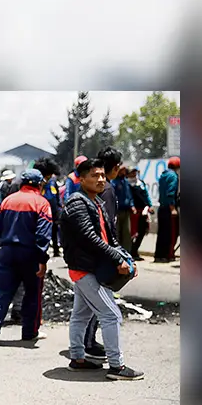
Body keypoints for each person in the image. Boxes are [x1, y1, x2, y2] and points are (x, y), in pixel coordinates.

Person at [60, 158, 144, 380]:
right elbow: (90, 238)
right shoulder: (77, 203)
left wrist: (126, 257)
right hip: (84, 268)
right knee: (111, 315)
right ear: (81, 178)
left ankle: (78, 358)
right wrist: (118, 259)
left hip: (90, 267)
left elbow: (111, 237)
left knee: (81, 315)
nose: (100, 180)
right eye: (94, 176)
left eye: (102, 176)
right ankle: (117, 367)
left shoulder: (95, 202)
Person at [0, 169, 52, 345]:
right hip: (29, 254)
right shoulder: (42, 203)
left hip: (7, 252)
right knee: (31, 293)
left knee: (1, 293)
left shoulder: (8, 201)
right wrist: (42, 259)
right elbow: (43, 235)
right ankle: (29, 332)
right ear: (39, 184)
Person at [34, 157, 63, 256]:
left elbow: (57, 195)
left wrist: (59, 207)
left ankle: (55, 250)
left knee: (54, 231)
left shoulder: (52, 182)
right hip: (42, 213)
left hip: (53, 212)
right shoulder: (36, 185)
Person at [154, 156, 180, 262]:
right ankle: (168, 254)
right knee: (171, 232)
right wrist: (173, 208)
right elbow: (170, 192)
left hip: (162, 208)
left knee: (162, 232)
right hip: (169, 209)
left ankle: (159, 255)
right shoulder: (173, 176)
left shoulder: (163, 175)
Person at [127, 167, 152, 259]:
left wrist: (149, 205)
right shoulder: (127, 184)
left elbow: (146, 195)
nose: (134, 174)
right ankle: (130, 251)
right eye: (131, 172)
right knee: (132, 232)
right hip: (132, 212)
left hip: (143, 211)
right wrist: (131, 206)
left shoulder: (140, 183)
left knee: (142, 231)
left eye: (135, 172)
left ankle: (135, 250)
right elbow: (128, 197)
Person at [112, 160, 135, 249]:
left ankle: (127, 254)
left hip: (126, 211)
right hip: (117, 211)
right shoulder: (113, 182)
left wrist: (132, 205)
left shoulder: (125, 181)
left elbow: (129, 195)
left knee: (126, 233)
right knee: (117, 233)